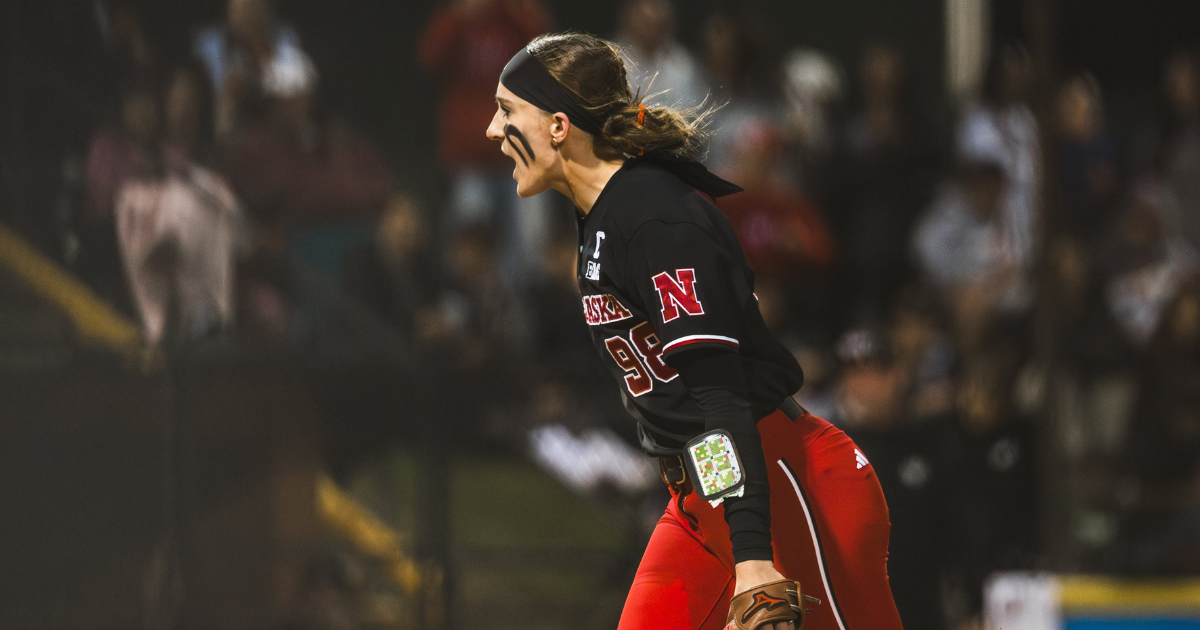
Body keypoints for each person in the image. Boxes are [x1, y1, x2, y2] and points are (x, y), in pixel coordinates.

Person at [484, 33, 903, 630]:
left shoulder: (654, 216)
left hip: (788, 484)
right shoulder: (604, 216)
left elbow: (718, 396)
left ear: (557, 125)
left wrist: (754, 557)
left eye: (506, 111)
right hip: (706, 497)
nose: (494, 131)